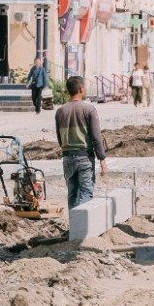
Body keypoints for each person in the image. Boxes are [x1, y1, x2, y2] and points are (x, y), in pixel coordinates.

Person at [54, 75, 108, 208]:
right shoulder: (89, 109)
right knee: (85, 193)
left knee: (72, 194)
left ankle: (74, 226)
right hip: (84, 156)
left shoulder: (60, 111)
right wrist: (102, 158)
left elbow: (59, 138)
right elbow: (96, 136)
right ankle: (82, 226)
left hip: (67, 157)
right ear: (81, 89)